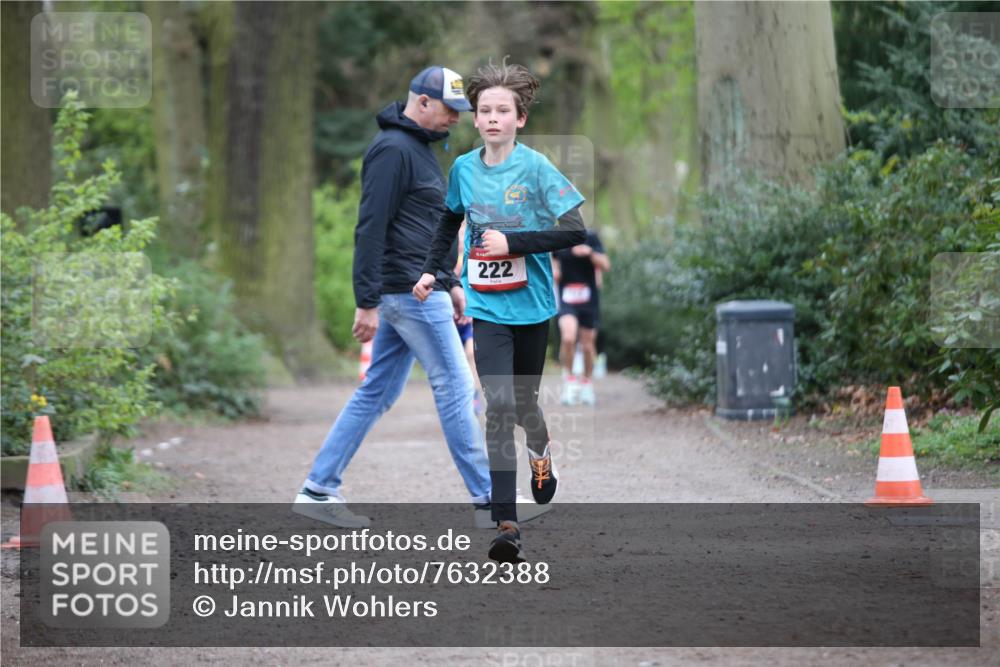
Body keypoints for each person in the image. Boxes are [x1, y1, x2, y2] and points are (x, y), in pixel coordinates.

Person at [293, 66, 491, 529]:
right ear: (422, 102)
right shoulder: (392, 150)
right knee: (456, 386)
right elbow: (371, 226)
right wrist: (366, 300)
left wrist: (452, 282)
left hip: (420, 289)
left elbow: (429, 229)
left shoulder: (420, 151)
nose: (457, 119)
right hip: (407, 293)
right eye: (450, 109)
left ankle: (317, 489)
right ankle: (489, 501)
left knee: (377, 391)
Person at [414, 59, 587, 562]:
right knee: (498, 408)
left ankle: (541, 449)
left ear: (519, 119)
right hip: (487, 308)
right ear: (475, 117)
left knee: (524, 407)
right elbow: (448, 224)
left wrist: (514, 242)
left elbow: (574, 230)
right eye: (484, 109)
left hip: (531, 307)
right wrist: (434, 272)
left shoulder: (535, 168)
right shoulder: (464, 170)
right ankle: (506, 524)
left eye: (502, 110)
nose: (492, 117)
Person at [553, 229, 610, 405]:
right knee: (568, 337)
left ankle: (586, 383)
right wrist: (554, 270)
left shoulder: (591, 237)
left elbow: (606, 265)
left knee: (587, 345)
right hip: (566, 299)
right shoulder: (558, 238)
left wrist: (590, 253)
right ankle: (569, 381)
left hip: (589, 300)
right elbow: (554, 267)